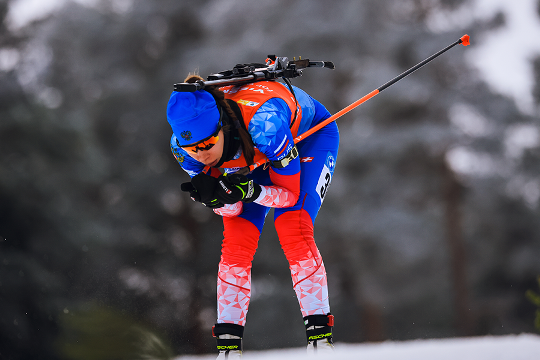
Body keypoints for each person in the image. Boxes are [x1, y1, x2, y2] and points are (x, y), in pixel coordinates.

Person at [166, 71, 339, 358]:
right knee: (236, 242)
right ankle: (229, 347)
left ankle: (320, 342)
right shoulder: (181, 150)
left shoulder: (265, 126)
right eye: (192, 149)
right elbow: (231, 211)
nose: (201, 155)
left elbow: (289, 197)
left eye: (208, 144)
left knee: (292, 227)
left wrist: (249, 192)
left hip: (306, 139)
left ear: (221, 126)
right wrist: (219, 198)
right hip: (254, 156)